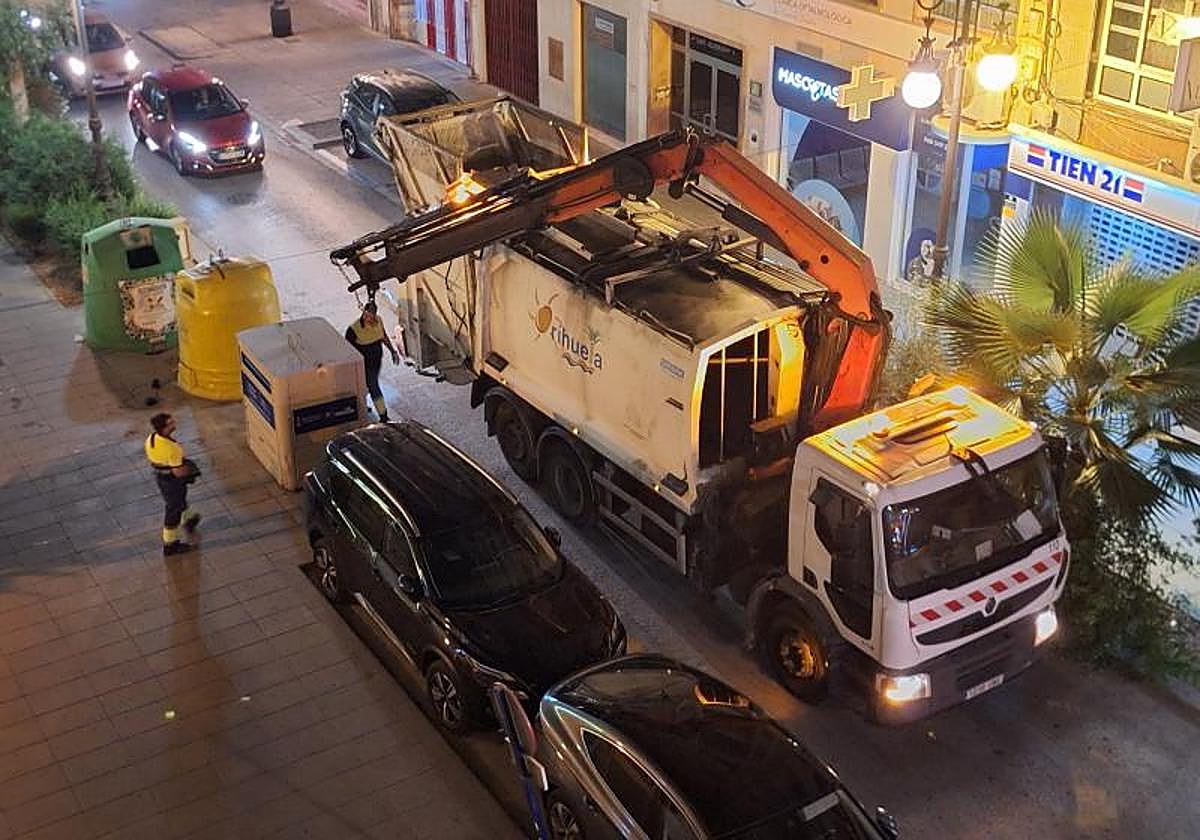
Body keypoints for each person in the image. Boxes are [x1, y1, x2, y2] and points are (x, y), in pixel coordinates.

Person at [145, 412, 201, 556]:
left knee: (177, 501)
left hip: (160, 477)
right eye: (171, 422)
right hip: (172, 480)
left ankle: (189, 519)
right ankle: (170, 544)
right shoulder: (172, 448)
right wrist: (190, 473)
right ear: (165, 427)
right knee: (173, 510)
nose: (174, 423)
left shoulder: (151, 438)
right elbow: (178, 472)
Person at [345, 301, 399, 422]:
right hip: (364, 363)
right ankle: (383, 416)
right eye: (367, 315)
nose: (369, 318)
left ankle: (361, 406)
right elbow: (347, 349)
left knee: (367, 386)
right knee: (373, 386)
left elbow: (383, 336)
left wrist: (392, 351)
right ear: (364, 313)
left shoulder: (378, 320)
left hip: (376, 362)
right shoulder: (354, 329)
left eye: (371, 316)